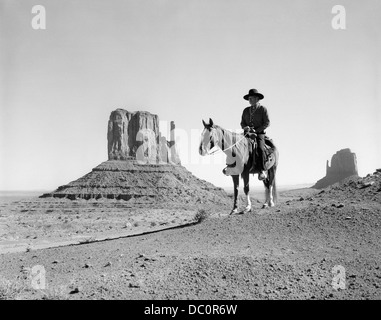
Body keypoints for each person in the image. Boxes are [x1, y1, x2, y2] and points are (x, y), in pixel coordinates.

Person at [240, 88, 270, 180]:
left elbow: (267, 123)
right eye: (249, 98)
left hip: (259, 133)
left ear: (257, 99)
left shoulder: (262, 109)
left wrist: (256, 131)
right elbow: (242, 123)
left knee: (260, 149)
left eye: (251, 98)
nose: (249, 100)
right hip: (247, 134)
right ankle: (232, 166)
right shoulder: (245, 110)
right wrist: (246, 127)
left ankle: (262, 170)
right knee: (235, 145)